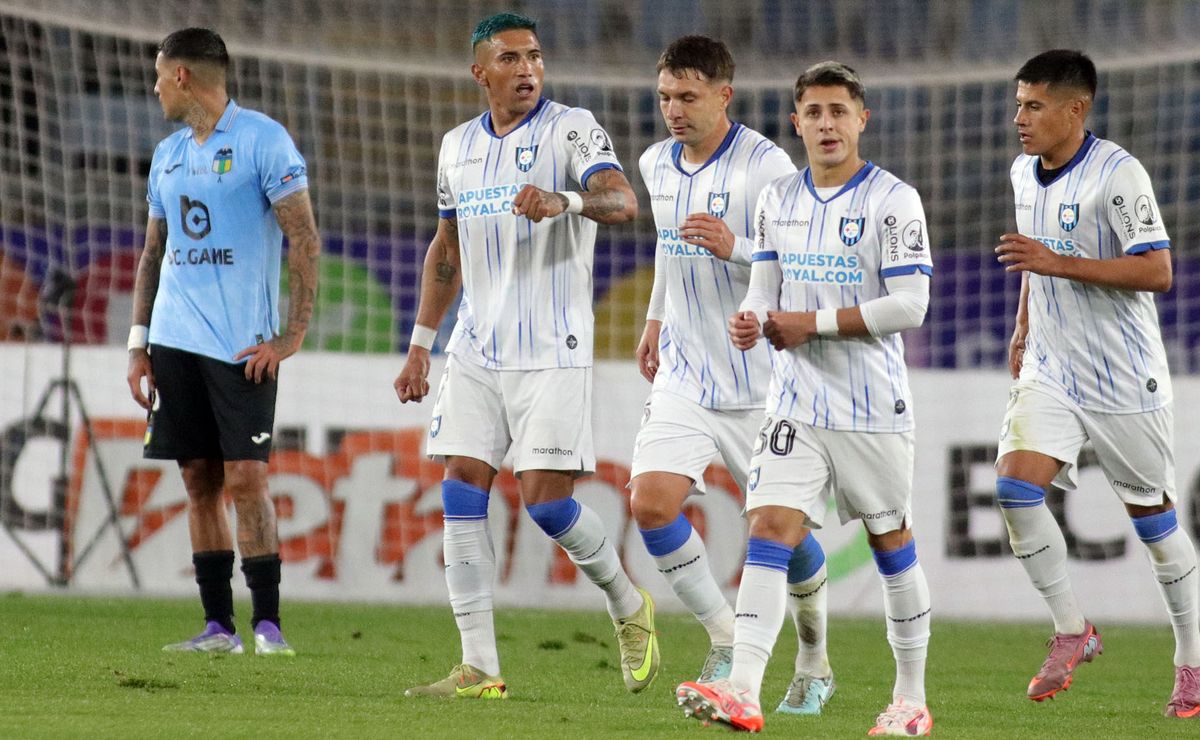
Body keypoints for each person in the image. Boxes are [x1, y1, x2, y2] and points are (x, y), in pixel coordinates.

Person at [394, 12, 651, 698]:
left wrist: (564, 200)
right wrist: (420, 345)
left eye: (534, 56)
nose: (527, 69)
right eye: (509, 59)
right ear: (480, 72)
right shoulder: (455, 147)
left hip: (552, 348)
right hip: (475, 347)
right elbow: (447, 248)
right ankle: (479, 666)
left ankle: (627, 602)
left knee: (545, 503)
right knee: (460, 487)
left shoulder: (571, 128)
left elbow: (623, 200)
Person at [675, 61, 934, 735]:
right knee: (769, 528)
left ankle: (910, 699)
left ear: (861, 119)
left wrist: (808, 324)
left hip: (871, 407)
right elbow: (764, 289)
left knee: (890, 541)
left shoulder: (893, 200)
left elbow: (911, 304)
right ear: (796, 123)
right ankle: (743, 689)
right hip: (795, 403)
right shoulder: (777, 199)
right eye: (813, 112)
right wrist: (751, 320)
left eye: (838, 111)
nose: (826, 124)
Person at [631, 35, 834, 714]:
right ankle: (723, 634)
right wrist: (655, 319)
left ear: (725, 96)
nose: (673, 110)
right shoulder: (655, 162)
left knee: (786, 534)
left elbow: (800, 258)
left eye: (688, 97)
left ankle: (814, 657)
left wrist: (737, 246)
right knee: (650, 504)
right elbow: (670, 249)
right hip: (686, 374)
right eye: (665, 97)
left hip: (759, 384)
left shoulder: (765, 165)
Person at [993, 49, 1199, 718]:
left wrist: (1057, 261)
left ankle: (1192, 663)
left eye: (1034, 106)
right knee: (1014, 489)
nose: (1020, 118)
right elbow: (1034, 262)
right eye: (1019, 105)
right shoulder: (1022, 171)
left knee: (1156, 525)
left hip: (1122, 377)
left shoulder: (1118, 175)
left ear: (1075, 109)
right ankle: (1072, 629)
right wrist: (1023, 325)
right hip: (1052, 368)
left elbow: (1158, 271)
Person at [126, 28, 320, 656]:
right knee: (197, 479)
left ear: (182, 76)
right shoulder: (167, 155)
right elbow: (152, 254)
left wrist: (291, 336)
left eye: (159, 75)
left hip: (242, 346)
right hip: (174, 341)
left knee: (246, 479)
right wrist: (138, 345)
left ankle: (268, 624)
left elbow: (304, 239)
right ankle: (218, 627)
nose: (155, 87)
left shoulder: (265, 140)